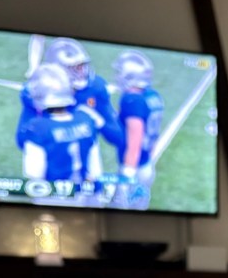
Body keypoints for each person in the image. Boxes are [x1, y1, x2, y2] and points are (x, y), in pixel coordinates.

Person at [16, 37, 123, 162]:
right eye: (74, 68)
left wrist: (98, 121)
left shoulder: (95, 87)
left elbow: (117, 136)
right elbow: (23, 140)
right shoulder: (38, 90)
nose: (81, 73)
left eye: (82, 66)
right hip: (50, 158)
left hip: (85, 159)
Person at [20, 63, 100, 188]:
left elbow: (34, 174)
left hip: (54, 194)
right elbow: (95, 170)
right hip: (85, 191)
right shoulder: (85, 119)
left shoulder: (38, 128)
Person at [111, 50, 164, 209]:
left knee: (119, 216)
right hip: (147, 165)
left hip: (134, 169)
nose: (118, 76)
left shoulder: (132, 100)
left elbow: (135, 142)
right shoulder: (153, 96)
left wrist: (126, 177)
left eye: (121, 72)